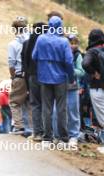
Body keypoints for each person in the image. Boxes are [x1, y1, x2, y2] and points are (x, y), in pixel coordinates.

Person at [32, 16, 74, 144]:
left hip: (44, 77)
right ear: (60, 26)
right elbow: (69, 61)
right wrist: (71, 77)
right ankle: (63, 138)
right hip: (60, 78)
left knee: (46, 107)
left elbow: (34, 56)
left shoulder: (41, 38)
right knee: (61, 108)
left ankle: (47, 137)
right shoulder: (64, 42)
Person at [22, 22, 47, 141]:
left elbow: (25, 64)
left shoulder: (27, 43)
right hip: (47, 76)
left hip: (32, 76)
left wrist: (27, 83)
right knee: (47, 103)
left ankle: (37, 133)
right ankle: (48, 132)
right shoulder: (47, 42)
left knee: (35, 104)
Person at [7, 16, 29, 135]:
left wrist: (12, 77)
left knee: (14, 102)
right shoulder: (31, 40)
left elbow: (11, 64)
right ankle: (32, 127)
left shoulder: (13, 44)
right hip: (31, 76)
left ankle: (19, 127)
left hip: (19, 76)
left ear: (15, 29)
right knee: (29, 101)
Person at [82, 29, 104, 145]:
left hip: (97, 88)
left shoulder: (92, 51)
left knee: (101, 117)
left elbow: (85, 64)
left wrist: (94, 73)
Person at [65, 35, 85, 146]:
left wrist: (70, 70)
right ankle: (62, 134)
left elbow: (81, 72)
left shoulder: (77, 55)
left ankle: (74, 135)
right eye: (71, 43)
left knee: (73, 111)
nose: (73, 45)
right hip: (60, 86)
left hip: (72, 87)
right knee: (60, 111)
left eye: (75, 43)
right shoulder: (61, 52)